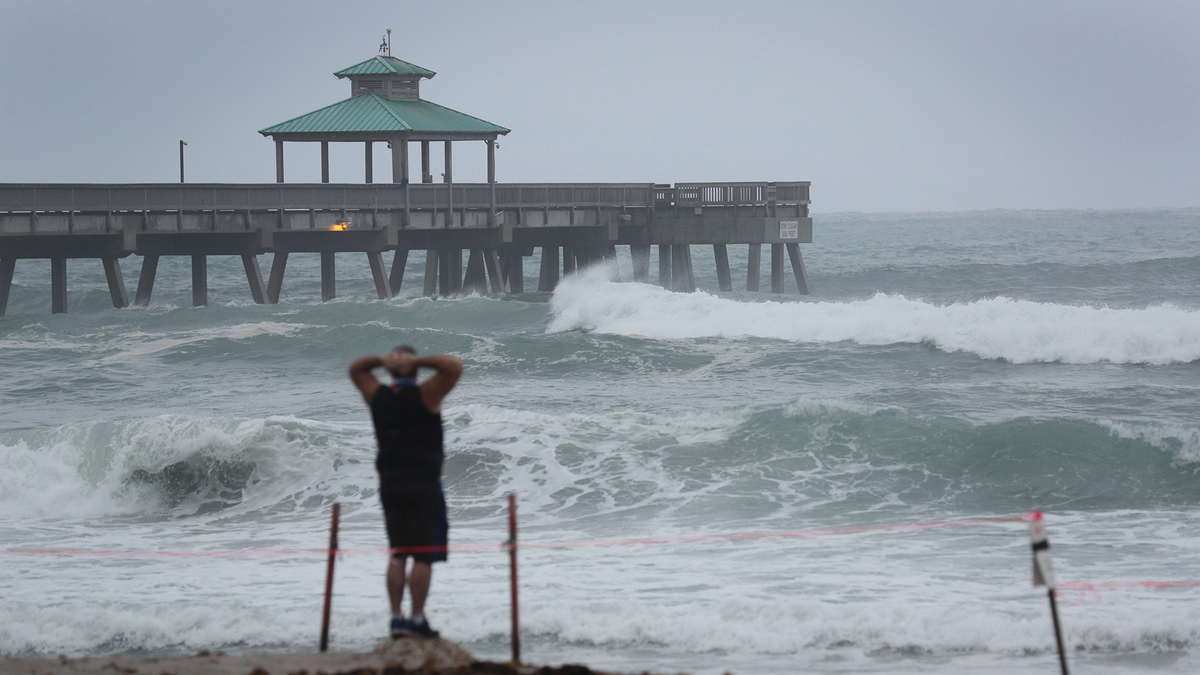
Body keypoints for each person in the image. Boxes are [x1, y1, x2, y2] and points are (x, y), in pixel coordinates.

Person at [349, 345, 463, 639]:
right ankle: (416, 618)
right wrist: (421, 360)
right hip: (423, 483)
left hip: (390, 483)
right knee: (423, 556)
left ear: (388, 371)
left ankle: (396, 618)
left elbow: (356, 369)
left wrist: (380, 359)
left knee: (398, 553)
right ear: (415, 369)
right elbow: (453, 366)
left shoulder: (378, 396)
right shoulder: (426, 394)